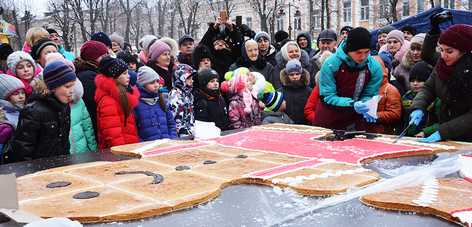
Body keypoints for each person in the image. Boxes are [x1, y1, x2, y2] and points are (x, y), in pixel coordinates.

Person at [409, 24, 472, 142]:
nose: (443, 55)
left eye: (449, 51)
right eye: (441, 50)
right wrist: (418, 107)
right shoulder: (441, 66)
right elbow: (428, 88)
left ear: (464, 51)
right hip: (449, 132)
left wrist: (443, 132)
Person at [4, 61, 76, 163]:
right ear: (53, 87)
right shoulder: (33, 111)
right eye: (67, 86)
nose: (72, 90)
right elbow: (22, 150)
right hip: (38, 171)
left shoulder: (64, 107)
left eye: (73, 85)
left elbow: (64, 143)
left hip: (58, 167)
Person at [313, 27, 383, 130]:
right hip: (329, 117)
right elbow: (327, 96)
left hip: (357, 120)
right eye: (358, 52)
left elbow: (369, 93)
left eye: (366, 52)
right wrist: (352, 104)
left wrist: (367, 105)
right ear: (349, 50)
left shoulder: (374, 67)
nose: (363, 57)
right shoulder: (331, 64)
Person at [95, 56, 140, 149]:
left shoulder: (123, 94)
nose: (129, 76)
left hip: (129, 146)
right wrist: (122, 152)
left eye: (127, 72)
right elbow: (112, 133)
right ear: (114, 77)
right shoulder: (108, 101)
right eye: (124, 73)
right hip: (120, 152)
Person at [74, 40, 109, 136]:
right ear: (94, 57)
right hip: (93, 119)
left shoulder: (94, 71)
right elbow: (95, 100)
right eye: (103, 55)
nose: (106, 57)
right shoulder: (88, 76)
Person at [135, 66, 177, 141]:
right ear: (143, 85)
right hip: (148, 148)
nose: (156, 85)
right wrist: (143, 145)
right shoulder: (137, 105)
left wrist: (172, 139)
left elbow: (171, 124)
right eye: (152, 82)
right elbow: (135, 131)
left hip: (167, 145)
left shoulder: (162, 100)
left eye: (157, 81)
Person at [199, 17, 243, 82]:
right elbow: (201, 47)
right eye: (217, 43)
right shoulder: (211, 58)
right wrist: (213, 28)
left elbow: (240, 46)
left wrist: (232, 29)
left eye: (223, 43)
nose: (220, 44)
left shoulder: (233, 55)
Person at [366, 56, 401, 134]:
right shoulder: (364, 88)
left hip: (382, 134)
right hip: (363, 132)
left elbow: (395, 114)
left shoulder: (390, 90)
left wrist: (375, 115)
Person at [401, 61, 436, 137]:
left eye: (420, 80)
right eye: (412, 81)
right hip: (409, 137)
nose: (415, 83)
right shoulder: (406, 97)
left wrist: (426, 132)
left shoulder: (435, 98)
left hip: (428, 136)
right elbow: (402, 120)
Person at [279, 59, 312, 125]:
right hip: (287, 126)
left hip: (305, 126)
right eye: (291, 74)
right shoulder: (280, 92)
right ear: (287, 75)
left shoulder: (309, 91)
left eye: (297, 74)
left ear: (301, 74)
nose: (295, 77)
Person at [69, 79, 97, 154]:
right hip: (64, 156)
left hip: (82, 151)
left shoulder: (79, 101)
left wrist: (93, 150)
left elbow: (88, 128)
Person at [0, 76, 26, 155]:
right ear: (6, 97)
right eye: (16, 94)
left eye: (23, 92)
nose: (21, 96)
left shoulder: (23, 110)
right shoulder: (4, 116)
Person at [169, 64, 195, 138]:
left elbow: (190, 114)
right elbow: (173, 115)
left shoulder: (189, 94)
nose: (192, 81)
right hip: (179, 134)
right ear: (181, 78)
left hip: (190, 131)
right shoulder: (175, 94)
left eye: (192, 78)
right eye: (189, 78)